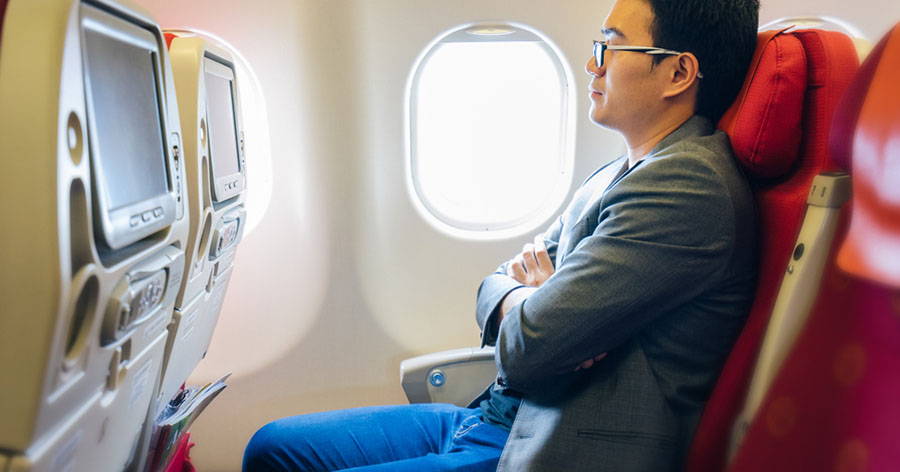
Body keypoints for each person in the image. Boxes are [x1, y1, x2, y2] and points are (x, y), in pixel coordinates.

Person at [243, 0, 759, 470]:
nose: (592, 64)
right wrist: (532, 299)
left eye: (610, 45)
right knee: (271, 447)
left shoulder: (688, 188)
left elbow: (529, 347)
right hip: (497, 416)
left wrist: (541, 311)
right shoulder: (618, 172)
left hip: (554, 440)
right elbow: (497, 283)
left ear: (678, 72)